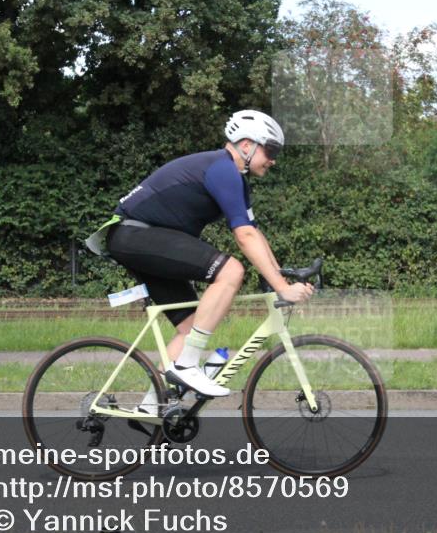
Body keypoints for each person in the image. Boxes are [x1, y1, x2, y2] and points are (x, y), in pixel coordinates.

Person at [104, 110, 314, 399]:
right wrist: (282, 288)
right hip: (135, 234)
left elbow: (254, 232)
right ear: (246, 145)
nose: (273, 159)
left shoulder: (234, 178)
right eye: (271, 150)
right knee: (231, 270)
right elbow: (244, 237)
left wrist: (279, 277)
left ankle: (154, 407)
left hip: (139, 238)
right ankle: (187, 365)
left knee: (190, 328)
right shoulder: (222, 169)